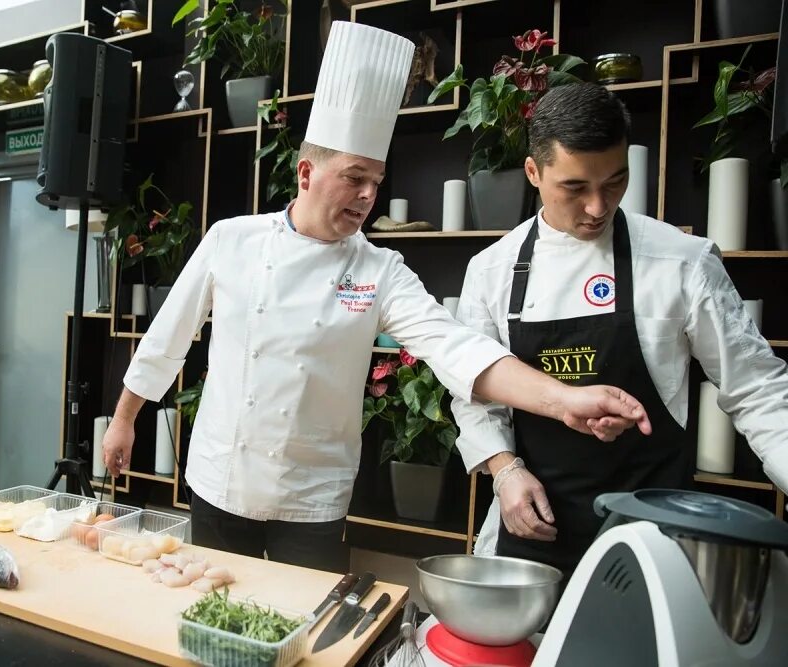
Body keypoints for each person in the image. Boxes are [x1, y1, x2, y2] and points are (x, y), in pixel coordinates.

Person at [102, 25, 651, 574]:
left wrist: (563, 399)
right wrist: (124, 419)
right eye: (355, 178)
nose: (369, 195)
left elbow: (454, 346)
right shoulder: (233, 240)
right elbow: (167, 337)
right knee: (213, 614)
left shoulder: (379, 270)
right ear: (307, 173)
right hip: (221, 478)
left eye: (377, 180)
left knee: (299, 628)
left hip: (312, 498)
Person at [453, 82, 788, 580]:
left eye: (614, 182)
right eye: (575, 188)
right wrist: (505, 471)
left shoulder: (681, 262)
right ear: (533, 173)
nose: (597, 207)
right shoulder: (491, 270)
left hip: (651, 535)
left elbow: (758, 390)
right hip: (532, 534)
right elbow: (475, 390)